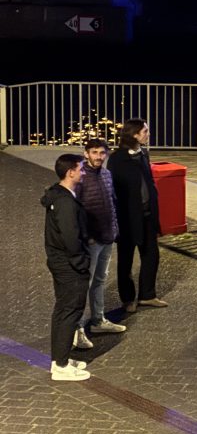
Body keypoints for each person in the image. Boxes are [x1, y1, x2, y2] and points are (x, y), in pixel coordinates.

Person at [73, 138, 127, 350]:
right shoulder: (80, 177)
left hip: (107, 237)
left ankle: (97, 320)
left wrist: (114, 230)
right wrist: (87, 237)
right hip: (92, 240)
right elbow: (76, 210)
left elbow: (112, 202)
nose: (98, 156)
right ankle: (76, 329)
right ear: (86, 153)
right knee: (83, 285)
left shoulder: (106, 174)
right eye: (94, 152)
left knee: (99, 280)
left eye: (102, 153)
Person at [108, 119, 166, 313]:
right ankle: (127, 298)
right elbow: (115, 191)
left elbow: (148, 183)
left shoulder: (143, 154)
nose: (148, 134)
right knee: (126, 258)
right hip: (127, 217)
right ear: (134, 134)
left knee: (151, 255)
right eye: (145, 131)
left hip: (147, 214)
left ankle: (147, 295)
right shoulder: (117, 159)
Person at [41, 154, 91, 381]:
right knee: (69, 310)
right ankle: (61, 366)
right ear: (70, 172)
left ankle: (59, 359)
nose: (83, 172)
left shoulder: (59, 196)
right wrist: (81, 262)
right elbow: (71, 237)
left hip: (60, 262)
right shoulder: (65, 202)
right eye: (81, 168)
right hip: (69, 264)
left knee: (63, 310)